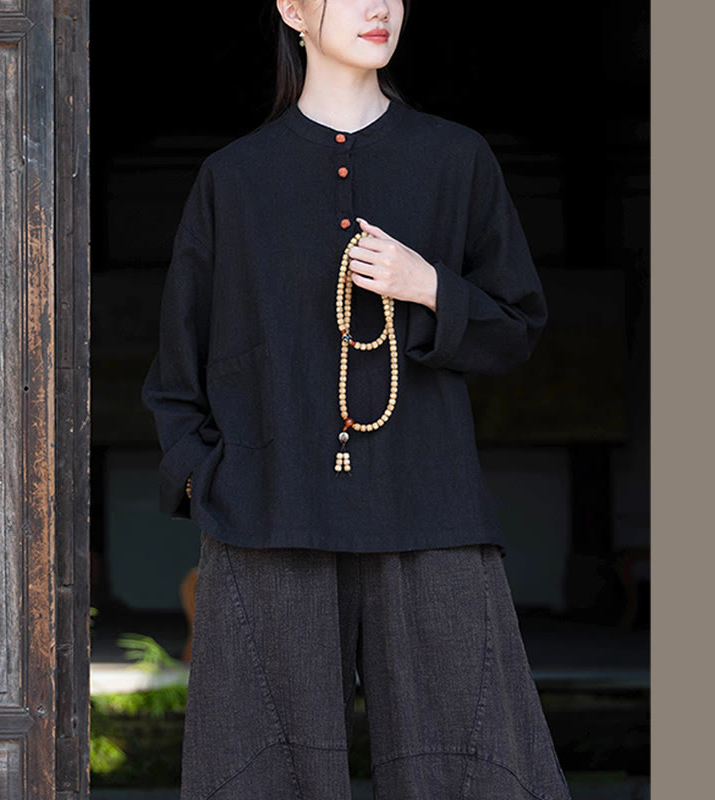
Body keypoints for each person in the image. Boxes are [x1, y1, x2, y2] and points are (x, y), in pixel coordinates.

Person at [142, 1, 573, 798]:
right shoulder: (235, 178)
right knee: (260, 774)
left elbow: (517, 327)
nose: (378, 7)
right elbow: (178, 368)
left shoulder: (455, 157)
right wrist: (207, 478)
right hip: (271, 511)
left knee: (473, 763)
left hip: (430, 504)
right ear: (292, 9)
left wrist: (430, 285)